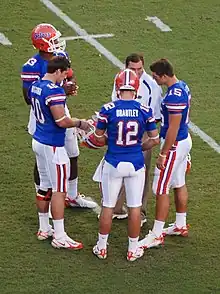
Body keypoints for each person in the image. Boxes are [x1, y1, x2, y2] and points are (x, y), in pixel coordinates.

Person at [21, 23, 96, 209]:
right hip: (41, 116)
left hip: (61, 109)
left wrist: (70, 86)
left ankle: (71, 196)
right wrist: (59, 90)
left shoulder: (62, 56)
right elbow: (28, 98)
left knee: (73, 153)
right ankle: (43, 195)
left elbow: (69, 75)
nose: (58, 42)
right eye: (53, 39)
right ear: (43, 44)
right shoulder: (32, 66)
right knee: (42, 159)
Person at [91, 69, 160, 261]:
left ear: (118, 87)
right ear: (136, 88)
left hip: (113, 162)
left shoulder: (107, 109)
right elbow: (154, 139)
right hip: (136, 163)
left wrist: (110, 140)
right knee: (135, 207)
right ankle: (132, 249)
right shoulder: (145, 110)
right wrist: (139, 146)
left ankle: (102, 247)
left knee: (108, 206)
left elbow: (97, 137)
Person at [30, 56, 91, 248]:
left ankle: (43, 228)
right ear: (58, 71)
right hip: (53, 146)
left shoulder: (36, 86)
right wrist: (80, 122)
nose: (64, 78)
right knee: (59, 190)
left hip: (39, 140)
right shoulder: (53, 91)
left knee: (45, 186)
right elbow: (61, 121)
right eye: (64, 74)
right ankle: (59, 235)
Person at [139, 58, 192, 249]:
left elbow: (173, 128)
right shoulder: (181, 86)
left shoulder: (173, 97)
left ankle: (157, 233)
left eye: (156, 76)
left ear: (164, 75)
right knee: (178, 182)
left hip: (174, 143)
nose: (154, 80)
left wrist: (163, 153)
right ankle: (180, 224)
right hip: (182, 141)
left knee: (160, 188)